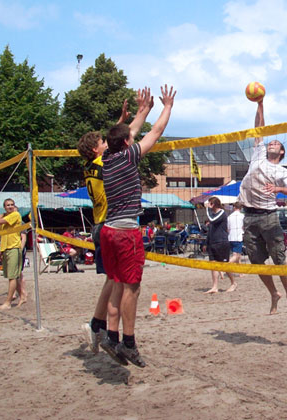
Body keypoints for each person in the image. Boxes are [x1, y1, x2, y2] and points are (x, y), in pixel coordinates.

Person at [99, 85, 176, 367]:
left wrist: (143, 110)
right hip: (125, 232)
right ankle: (128, 343)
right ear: (127, 143)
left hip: (108, 231)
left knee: (117, 284)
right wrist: (167, 106)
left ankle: (111, 336)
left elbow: (124, 133)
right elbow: (154, 132)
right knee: (132, 288)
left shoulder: (106, 158)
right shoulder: (128, 156)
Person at [78, 88, 153, 355]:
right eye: (101, 141)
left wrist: (122, 118)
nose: (105, 142)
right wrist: (143, 111)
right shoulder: (108, 159)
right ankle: (98, 326)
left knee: (112, 281)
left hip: (102, 224)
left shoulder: (93, 163)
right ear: (98, 148)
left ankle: (99, 326)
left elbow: (117, 136)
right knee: (117, 282)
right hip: (112, 225)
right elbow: (123, 137)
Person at [236, 99, 287, 319]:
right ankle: (274, 294)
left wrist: (277, 188)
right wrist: (260, 104)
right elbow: (259, 128)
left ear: (281, 152)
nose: (271, 143)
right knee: (256, 263)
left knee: (279, 260)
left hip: (269, 217)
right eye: (270, 142)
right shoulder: (258, 155)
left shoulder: (282, 171)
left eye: (276, 143)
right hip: (249, 216)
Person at [0, 198, 26, 309]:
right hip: (6, 248)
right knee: (13, 276)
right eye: (8, 205)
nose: (10, 206)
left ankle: (8, 303)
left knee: (13, 276)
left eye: (12, 204)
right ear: (4, 207)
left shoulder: (15, 215)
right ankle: (23, 296)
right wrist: (1, 251)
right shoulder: (6, 216)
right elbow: (2, 232)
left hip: (14, 248)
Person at [204, 197, 237, 294]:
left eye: (209, 203)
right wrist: (206, 243)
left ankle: (233, 283)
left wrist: (207, 209)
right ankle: (215, 287)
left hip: (222, 243)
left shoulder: (222, 213)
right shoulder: (213, 215)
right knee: (213, 265)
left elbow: (212, 220)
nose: (208, 205)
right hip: (213, 243)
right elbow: (210, 230)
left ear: (213, 204)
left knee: (224, 265)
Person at [227, 202, 245, 277]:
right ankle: (224, 266)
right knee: (236, 256)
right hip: (238, 237)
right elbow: (244, 227)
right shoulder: (242, 216)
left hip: (231, 237)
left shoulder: (229, 217)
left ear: (234, 207)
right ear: (241, 208)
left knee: (238, 255)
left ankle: (240, 273)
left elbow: (227, 228)